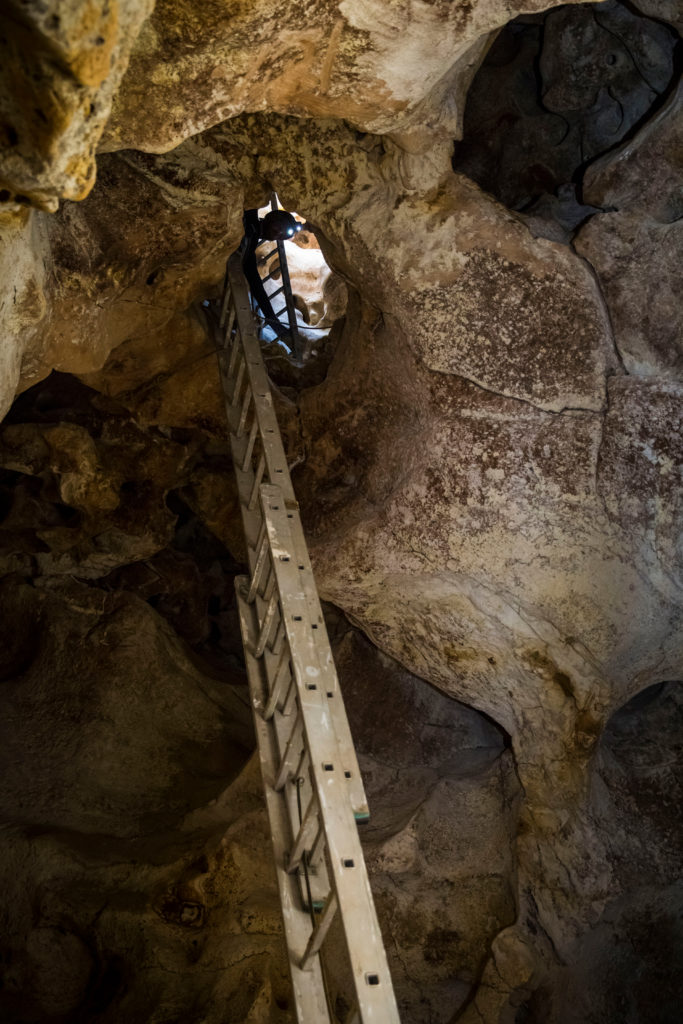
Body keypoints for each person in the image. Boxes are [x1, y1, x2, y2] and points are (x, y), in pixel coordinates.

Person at [240, 208, 302, 337]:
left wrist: (273, 321)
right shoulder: (249, 218)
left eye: (281, 235)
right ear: (269, 218)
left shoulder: (250, 244)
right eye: (278, 227)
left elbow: (256, 285)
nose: (278, 233)